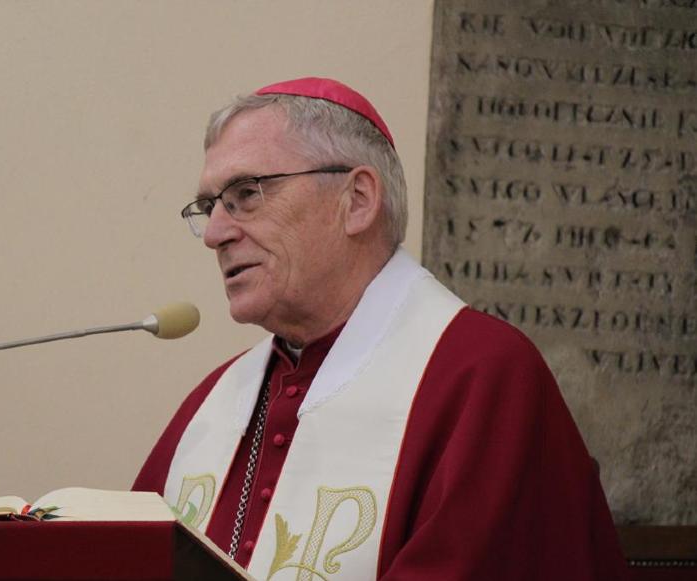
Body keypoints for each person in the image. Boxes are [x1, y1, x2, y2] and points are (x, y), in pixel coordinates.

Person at [132, 77, 628, 580]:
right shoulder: (215, 403)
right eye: (209, 207)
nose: (215, 234)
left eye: (246, 193)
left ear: (358, 200)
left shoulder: (485, 377)